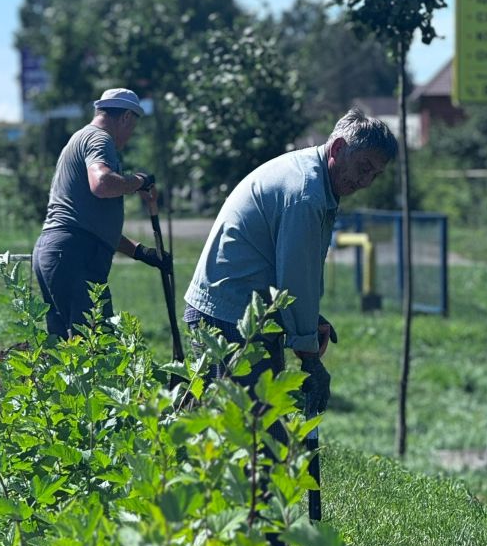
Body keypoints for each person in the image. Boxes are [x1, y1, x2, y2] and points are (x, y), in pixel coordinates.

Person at [183, 107, 398, 415]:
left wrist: (310, 321)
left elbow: (300, 272)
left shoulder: (314, 176)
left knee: (222, 425)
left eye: (375, 175)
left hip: (237, 309)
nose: (366, 182)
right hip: (230, 317)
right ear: (338, 148)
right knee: (254, 434)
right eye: (364, 167)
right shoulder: (306, 193)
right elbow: (297, 279)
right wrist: (310, 359)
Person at [32, 87, 171, 338]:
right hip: (74, 254)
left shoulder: (80, 138)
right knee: (95, 346)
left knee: (67, 349)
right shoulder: (100, 138)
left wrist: (142, 252)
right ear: (126, 117)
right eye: (132, 128)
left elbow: (91, 225)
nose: (129, 137)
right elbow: (103, 184)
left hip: (59, 251)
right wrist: (138, 181)